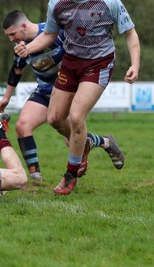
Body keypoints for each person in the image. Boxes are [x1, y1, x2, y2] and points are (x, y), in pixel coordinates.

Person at [15, 0, 139, 195]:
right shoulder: (56, 4)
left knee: (76, 117)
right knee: (54, 118)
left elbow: (130, 33)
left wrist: (135, 64)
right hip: (71, 63)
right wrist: (28, 49)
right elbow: (49, 34)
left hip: (99, 63)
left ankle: (70, 175)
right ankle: (88, 142)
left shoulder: (109, 3)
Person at [0, 10, 121, 182]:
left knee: (71, 139)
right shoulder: (20, 47)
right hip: (45, 91)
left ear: (23, 26)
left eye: (12, 34)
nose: (11, 39)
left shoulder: (55, 33)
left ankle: (105, 143)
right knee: (22, 126)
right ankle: (36, 179)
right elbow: (17, 70)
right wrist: (6, 98)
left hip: (67, 89)